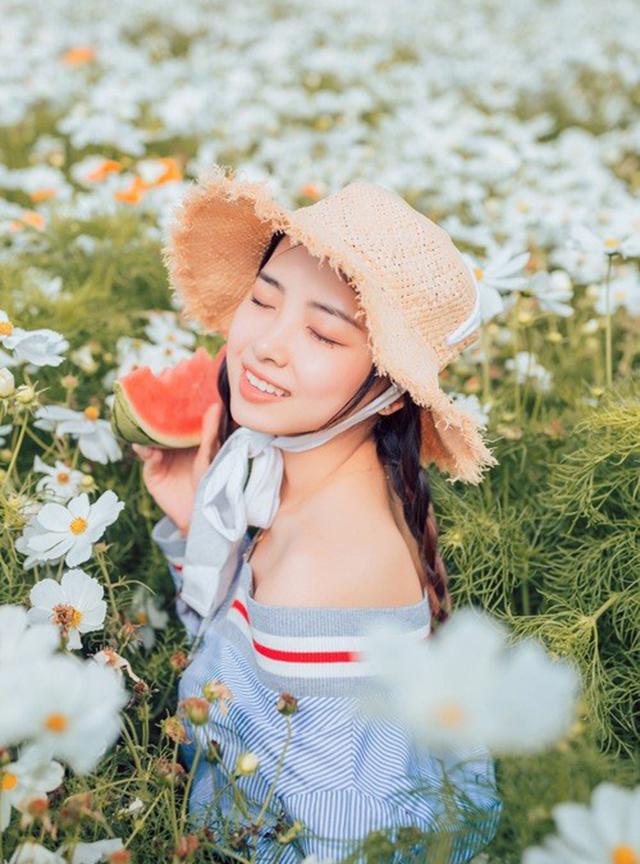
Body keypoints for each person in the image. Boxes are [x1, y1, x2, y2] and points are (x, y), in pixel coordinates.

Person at [133, 164, 503, 863]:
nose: (266, 344)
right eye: (264, 300)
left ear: (392, 392)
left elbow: (338, 836)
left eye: (325, 335)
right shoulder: (293, 481)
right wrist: (196, 525)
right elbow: (239, 669)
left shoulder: (328, 562)